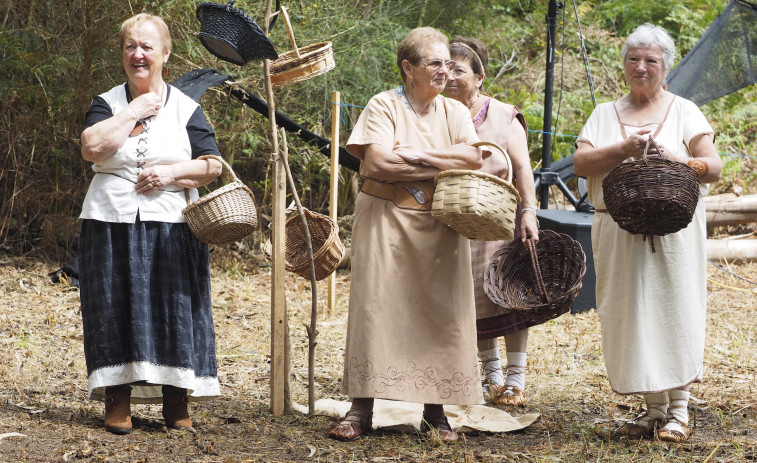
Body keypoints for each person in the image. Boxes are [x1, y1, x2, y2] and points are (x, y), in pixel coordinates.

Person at [328, 27, 485, 443]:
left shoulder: (454, 112)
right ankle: (361, 410)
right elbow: (377, 163)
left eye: (448, 64)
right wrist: (442, 168)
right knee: (376, 307)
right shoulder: (384, 105)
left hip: (441, 224)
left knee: (441, 310)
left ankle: (435, 413)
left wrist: (422, 157)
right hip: (386, 220)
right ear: (408, 68)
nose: (445, 72)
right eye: (434, 63)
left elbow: (473, 157)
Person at [573, 23, 722, 443]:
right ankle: (653, 409)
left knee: (675, 309)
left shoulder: (684, 109)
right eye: (633, 59)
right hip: (617, 230)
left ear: (665, 67)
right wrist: (623, 149)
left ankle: (679, 409)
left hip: (674, 232)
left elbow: (713, 166)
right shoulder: (605, 113)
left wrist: (679, 161)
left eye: (650, 60)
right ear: (623, 65)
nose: (641, 67)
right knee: (631, 314)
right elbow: (582, 164)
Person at [78, 13, 224, 435]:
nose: (138, 54)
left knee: (174, 306)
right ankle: (116, 398)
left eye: (146, 47)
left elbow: (212, 164)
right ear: (122, 53)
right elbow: (91, 147)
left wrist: (173, 172)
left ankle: (176, 399)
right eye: (130, 46)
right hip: (110, 217)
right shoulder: (107, 103)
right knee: (113, 303)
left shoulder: (187, 106)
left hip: (174, 222)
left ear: (165, 53)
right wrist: (136, 109)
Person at [444, 37, 540, 406]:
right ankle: (491, 376)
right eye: (444, 68)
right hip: (455, 222)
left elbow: (523, 169)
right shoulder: (438, 114)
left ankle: (516, 379)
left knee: (509, 297)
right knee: (474, 299)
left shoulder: (502, 114)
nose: (449, 75)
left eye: (458, 69)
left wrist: (528, 212)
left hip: (501, 221)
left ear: (480, 77)